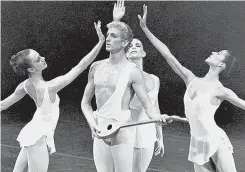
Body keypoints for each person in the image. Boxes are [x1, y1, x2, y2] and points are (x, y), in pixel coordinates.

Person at [138, 4, 245, 172]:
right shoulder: (191, 79)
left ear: (222, 65)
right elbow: (168, 55)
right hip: (196, 143)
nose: (213, 52)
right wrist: (145, 29)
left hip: (215, 140)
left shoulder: (221, 91)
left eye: (218, 53)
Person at [0, 21, 105, 172]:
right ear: (31, 69)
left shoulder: (25, 85)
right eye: (38, 59)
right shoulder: (51, 87)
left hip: (33, 132)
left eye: (39, 55)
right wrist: (100, 42)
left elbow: (2, 105)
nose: (42, 58)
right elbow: (81, 65)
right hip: (38, 136)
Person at [81, 2, 167, 172]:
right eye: (108, 35)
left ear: (124, 42)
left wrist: (158, 117)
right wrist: (93, 124)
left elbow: (149, 105)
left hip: (122, 130)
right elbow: (85, 102)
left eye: (113, 36)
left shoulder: (133, 72)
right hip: (100, 130)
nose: (108, 39)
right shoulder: (96, 67)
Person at [113, 1, 164, 171]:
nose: (134, 47)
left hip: (146, 136)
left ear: (143, 53)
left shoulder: (154, 79)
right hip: (124, 133)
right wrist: (116, 21)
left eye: (138, 45)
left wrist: (160, 137)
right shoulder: (121, 76)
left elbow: (154, 106)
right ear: (125, 52)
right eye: (130, 46)